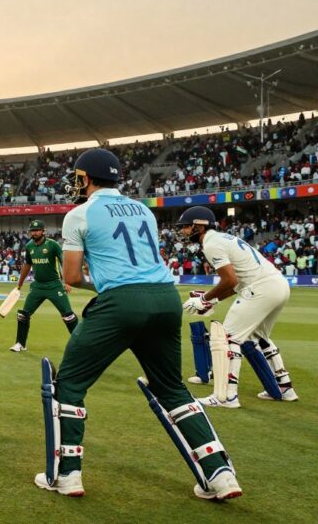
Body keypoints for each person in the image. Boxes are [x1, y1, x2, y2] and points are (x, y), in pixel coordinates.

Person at [37, 148, 240, 500]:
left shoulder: (78, 214)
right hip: (165, 298)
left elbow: (71, 275)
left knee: (68, 383)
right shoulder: (143, 210)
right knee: (172, 388)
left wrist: (97, 282)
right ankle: (220, 474)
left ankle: (68, 476)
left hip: (120, 303)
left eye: (78, 177)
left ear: (85, 178)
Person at [178, 206, 297, 407]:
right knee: (259, 337)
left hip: (260, 288)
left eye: (187, 227)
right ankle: (285, 388)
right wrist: (211, 301)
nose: (183, 231)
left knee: (227, 337)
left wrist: (203, 299)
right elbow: (236, 283)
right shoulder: (223, 238)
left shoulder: (211, 243)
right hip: (278, 285)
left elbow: (229, 279)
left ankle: (226, 396)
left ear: (199, 226)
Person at [10, 220, 78, 352]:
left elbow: (64, 262)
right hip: (38, 286)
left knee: (69, 316)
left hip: (54, 285)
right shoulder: (29, 246)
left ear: (43, 231)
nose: (34, 233)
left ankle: (81, 345)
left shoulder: (52, 245)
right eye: (32, 231)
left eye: (37, 230)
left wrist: (67, 281)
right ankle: (20, 344)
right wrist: (19, 284)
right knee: (23, 315)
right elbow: (27, 265)